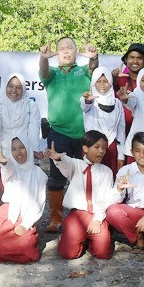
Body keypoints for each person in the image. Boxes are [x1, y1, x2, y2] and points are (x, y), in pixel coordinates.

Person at [39, 37, 98, 233]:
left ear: (75, 51)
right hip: (58, 133)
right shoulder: (52, 73)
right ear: (57, 53)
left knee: (82, 178)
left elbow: (93, 68)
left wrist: (94, 58)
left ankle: (79, 218)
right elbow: (44, 71)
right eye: (62, 48)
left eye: (69, 48)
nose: (65, 51)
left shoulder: (83, 71)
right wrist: (43, 58)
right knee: (56, 178)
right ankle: (56, 219)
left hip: (84, 136)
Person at [46, 131, 114, 260]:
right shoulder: (76, 165)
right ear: (85, 148)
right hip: (78, 214)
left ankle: (90, 240)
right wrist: (57, 157)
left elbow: (107, 199)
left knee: (102, 253)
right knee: (68, 253)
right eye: (97, 147)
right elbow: (65, 162)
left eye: (104, 148)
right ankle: (74, 237)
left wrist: (97, 219)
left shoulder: (107, 172)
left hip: (97, 213)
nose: (101, 151)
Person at [0, 135, 46, 264]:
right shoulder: (11, 168)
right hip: (8, 213)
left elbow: (40, 203)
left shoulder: (39, 174)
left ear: (28, 148)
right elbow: (6, 170)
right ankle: (8, 251)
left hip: (26, 216)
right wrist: (4, 163)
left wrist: (25, 224)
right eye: (14, 149)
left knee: (26, 247)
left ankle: (6, 251)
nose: (18, 152)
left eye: (22, 147)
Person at [0, 73, 43, 160]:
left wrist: (33, 152)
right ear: (6, 87)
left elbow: (34, 131)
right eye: (11, 86)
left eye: (18, 87)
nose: (14, 90)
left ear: (23, 89)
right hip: (4, 154)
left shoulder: (31, 106)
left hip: (24, 154)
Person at [81, 69, 125, 173]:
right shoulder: (90, 99)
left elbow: (121, 130)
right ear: (93, 82)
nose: (102, 85)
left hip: (111, 147)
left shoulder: (117, 103)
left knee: (110, 176)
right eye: (98, 81)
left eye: (105, 81)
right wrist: (88, 100)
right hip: (92, 146)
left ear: (110, 82)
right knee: (91, 177)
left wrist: (121, 155)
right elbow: (85, 106)